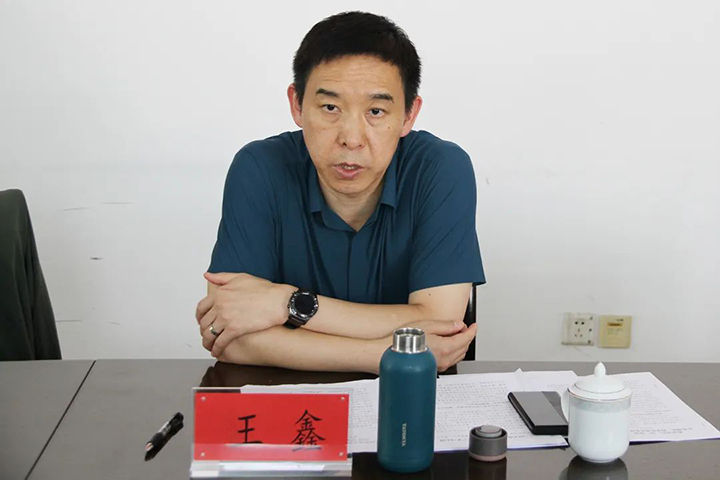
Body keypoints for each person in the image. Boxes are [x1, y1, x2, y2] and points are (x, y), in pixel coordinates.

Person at [195, 11, 485, 374]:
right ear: (297, 105)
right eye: (330, 107)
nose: (351, 138)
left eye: (376, 111)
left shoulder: (440, 169)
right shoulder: (259, 168)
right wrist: (385, 354)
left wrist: (287, 304)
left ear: (409, 115)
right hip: (286, 398)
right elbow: (230, 334)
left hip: (411, 396)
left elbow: (441, 324)